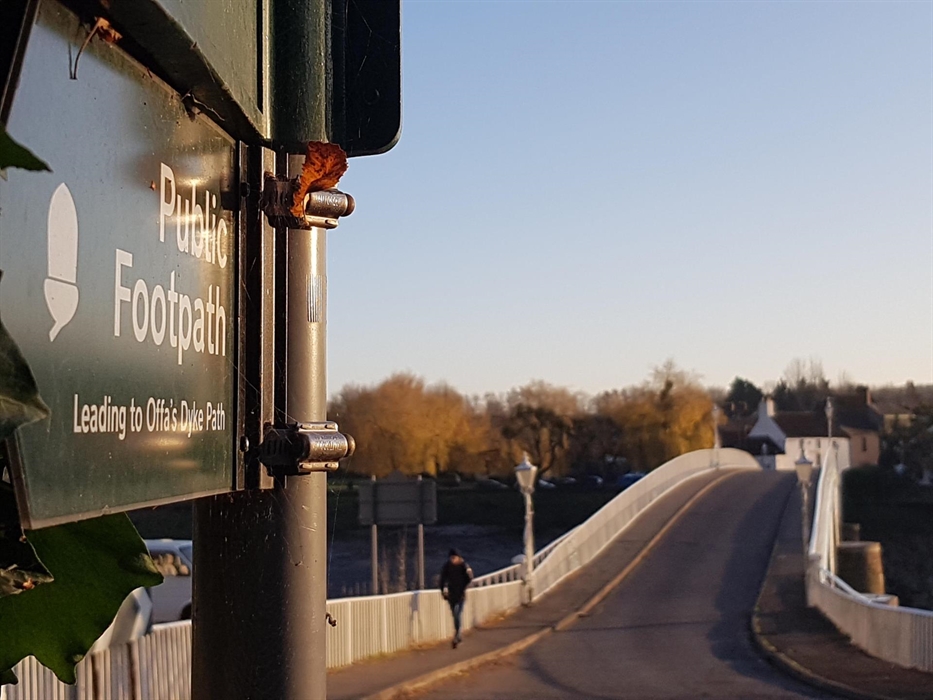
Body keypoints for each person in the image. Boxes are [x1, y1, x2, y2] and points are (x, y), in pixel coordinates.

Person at [439, 548, 473, 648]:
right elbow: (442, 579)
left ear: (459, 557)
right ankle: (458, 634)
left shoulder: (463, 566)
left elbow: (469, 577)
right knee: (454, 614)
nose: (453, 560)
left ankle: (457, 634)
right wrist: (443, 591)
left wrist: (463, 587)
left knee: (458, 613)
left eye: (454, 558)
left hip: (461, 594)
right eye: (451, 558)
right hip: (451, 594)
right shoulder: (446, 567)